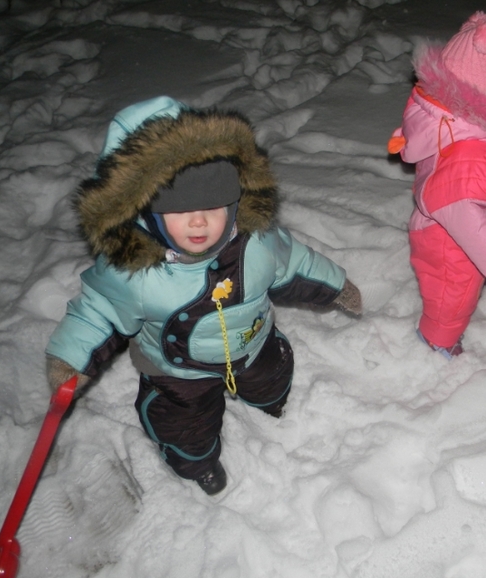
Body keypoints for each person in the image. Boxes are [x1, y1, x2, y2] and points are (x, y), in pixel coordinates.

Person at [45, 96, 362, 495]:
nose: (199, 222)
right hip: (179, 372)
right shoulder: (135, 274)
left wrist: (336, 287)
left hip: (253, 343)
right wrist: (70, 358)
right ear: (145, 213)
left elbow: (297, 264)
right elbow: (98, 311)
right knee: (182, 423)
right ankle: (197, 462)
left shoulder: (258, 244)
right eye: (179, 211)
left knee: (272, 374)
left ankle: (271, 403)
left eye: (213, 205)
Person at [388, 11, 486, 359]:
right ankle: (436, 340)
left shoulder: (476, 127)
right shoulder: (472, 155)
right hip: (450, 242)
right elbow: (468, 217)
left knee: (459, 287)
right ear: (484, 96)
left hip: (456, 227)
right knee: (452, 298)